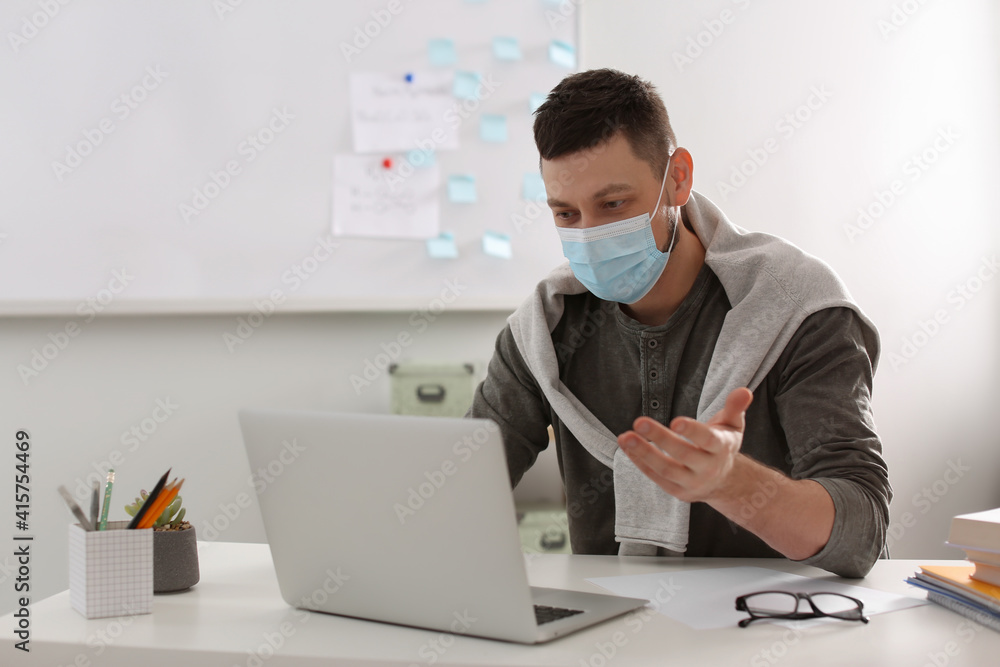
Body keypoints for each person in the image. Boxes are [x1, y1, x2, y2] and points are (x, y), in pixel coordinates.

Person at [467, 68, 890, 578]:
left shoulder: (798, 306)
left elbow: (861, 533)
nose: (591, 236)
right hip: (609, 621)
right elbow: (460, 491)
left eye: (613, 204)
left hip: (774, 617)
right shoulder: (544, 328)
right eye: (567, 215)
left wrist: (730, 483)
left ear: (678, 178)